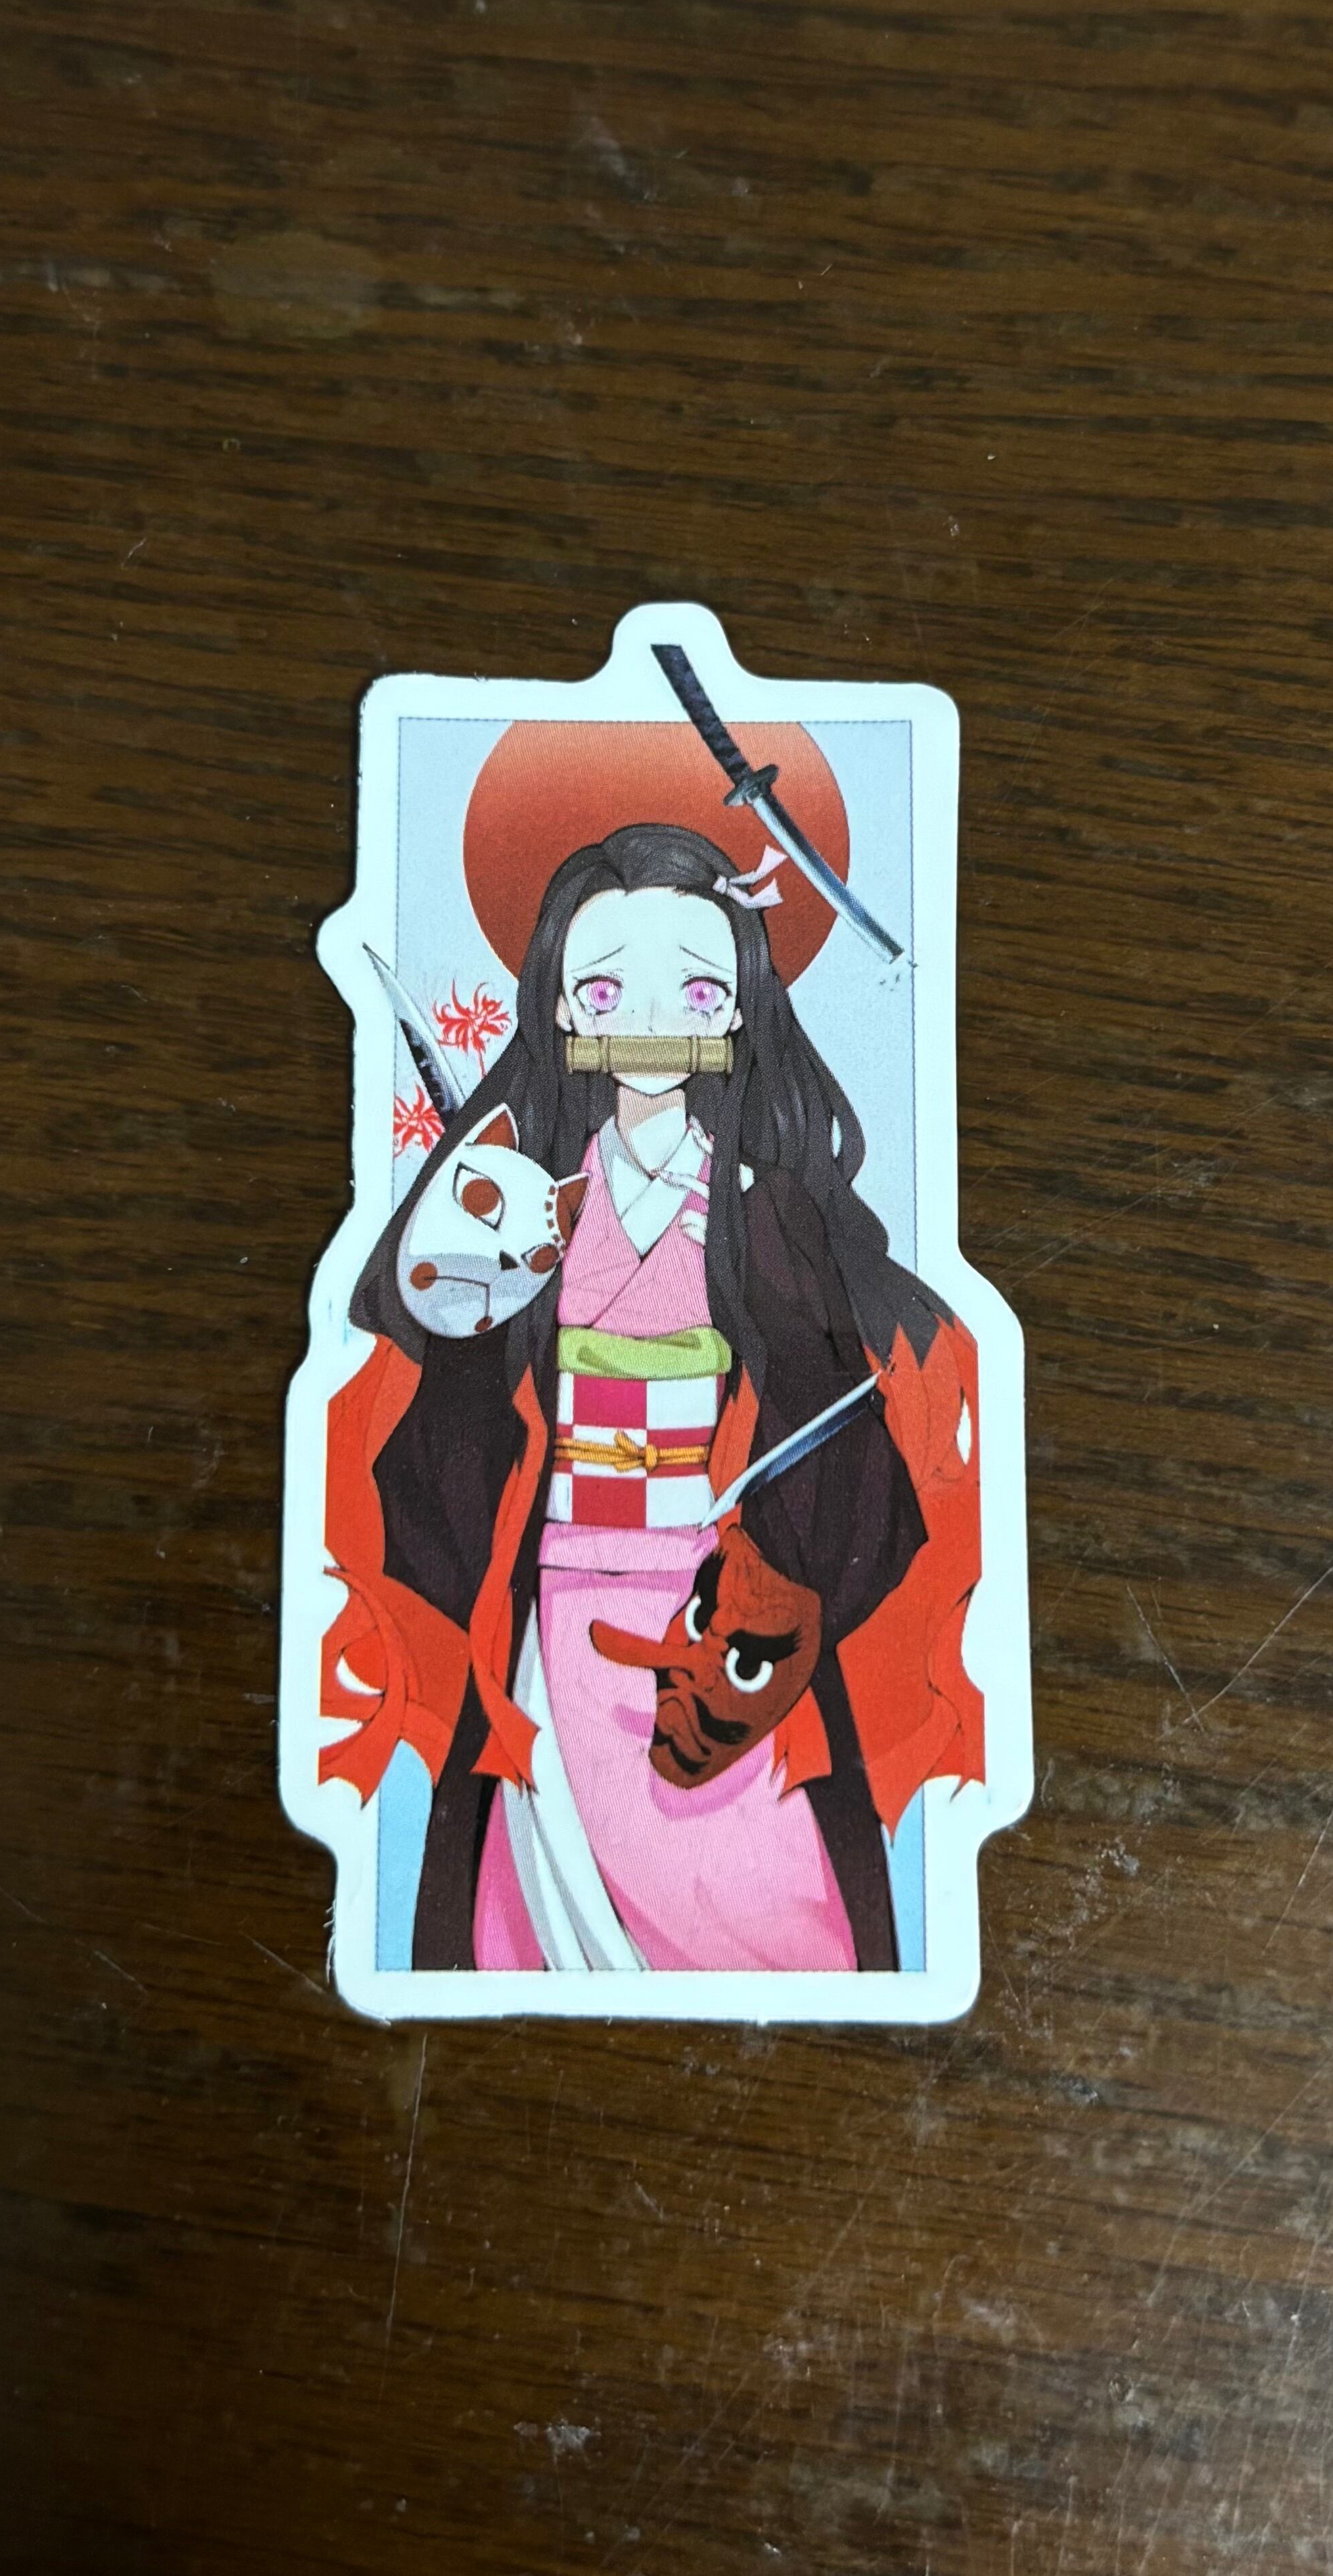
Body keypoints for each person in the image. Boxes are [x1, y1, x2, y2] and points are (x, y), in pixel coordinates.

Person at [320, 819, 982, 1974]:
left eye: (695, 990)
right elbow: (439, 1440)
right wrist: (467, 1303)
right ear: (558, 1007)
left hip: (718, 1609)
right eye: (604, 990)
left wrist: (781, 1569)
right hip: (552, 1599)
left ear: (738, 1012)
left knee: (760, 1895)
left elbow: (844, 1435)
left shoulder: (769, 1213)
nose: (648, 1021)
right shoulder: (521, 1209)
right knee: (540, 1898)